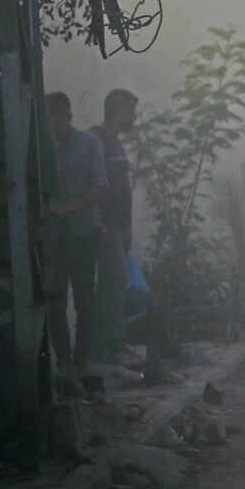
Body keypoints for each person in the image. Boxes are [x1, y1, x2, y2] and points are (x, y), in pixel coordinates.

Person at [46, 92, 109, 377]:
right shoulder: (41, 148)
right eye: (49, 116)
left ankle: (81, 359)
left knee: (84, 298)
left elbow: (100, 186)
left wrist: (67, 210)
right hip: (52, 236)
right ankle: (64, 361)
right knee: (55, 299)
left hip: (83, 232)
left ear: (69, 116)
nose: (53, 121)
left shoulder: (89, 143)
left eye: (57, 114)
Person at [90, 88, 138, 359]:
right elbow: (89, 181)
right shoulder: (96, 139)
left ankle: (99, 344)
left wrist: (127, 226)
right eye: (132, 110)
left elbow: (122, 187)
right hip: (105, 226)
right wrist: (98, 219)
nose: (135, 117)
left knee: (109, 283)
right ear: (119, 110)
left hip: (117, 226)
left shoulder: (115, 142)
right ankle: (113, 344)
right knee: (116, 280)